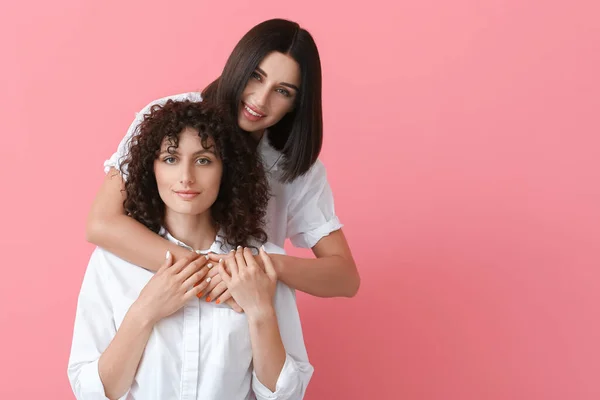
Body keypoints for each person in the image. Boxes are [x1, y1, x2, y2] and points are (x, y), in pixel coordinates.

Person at [87, 18, 360, 312]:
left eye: (282, 91)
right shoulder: (170, 119)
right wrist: (207, 273)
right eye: (256, 76)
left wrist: (261, 265)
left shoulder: (292, 168)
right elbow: (102, 223)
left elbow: (344, 278)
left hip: (242, 317)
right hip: (153, 301)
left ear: (296, 103)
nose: (260, 99)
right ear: (239, 65)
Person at [68, 100, 313, 399]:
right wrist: (144, 311)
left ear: (227, 170)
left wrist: (260, 310)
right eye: (170, 159)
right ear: (151, 168)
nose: (186, 177)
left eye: (204, 160)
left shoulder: (259, 264)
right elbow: (90, 392)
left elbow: (287, 395)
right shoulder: (112, 263)